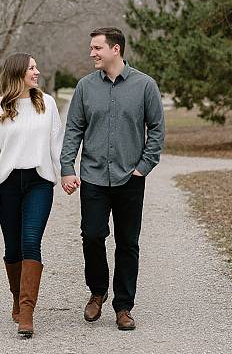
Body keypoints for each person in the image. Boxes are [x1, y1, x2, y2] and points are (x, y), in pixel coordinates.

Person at [60, 27, 165, 331]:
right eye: (91, 48)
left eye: (96, 48)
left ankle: (123, 306)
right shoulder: (85, 87)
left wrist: (143, 167)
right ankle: (97, 292)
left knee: (128, 243)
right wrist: (68, 166)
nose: (91, 53)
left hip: (130, 177)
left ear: (115, 49)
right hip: (93, 176)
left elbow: (156, 130)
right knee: (92, 235)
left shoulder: (145, 85)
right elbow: (74, 130)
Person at [0, 53, 63, 338]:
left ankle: (27, 312)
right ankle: (16, 297)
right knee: (12, 248)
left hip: (39, 182)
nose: (37, 71)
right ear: (18, 73)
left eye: (37, 66)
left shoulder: (47, 103)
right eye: (31, 68)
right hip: (7, 184)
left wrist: (66, 172)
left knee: (31, 241)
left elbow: (57, 144)